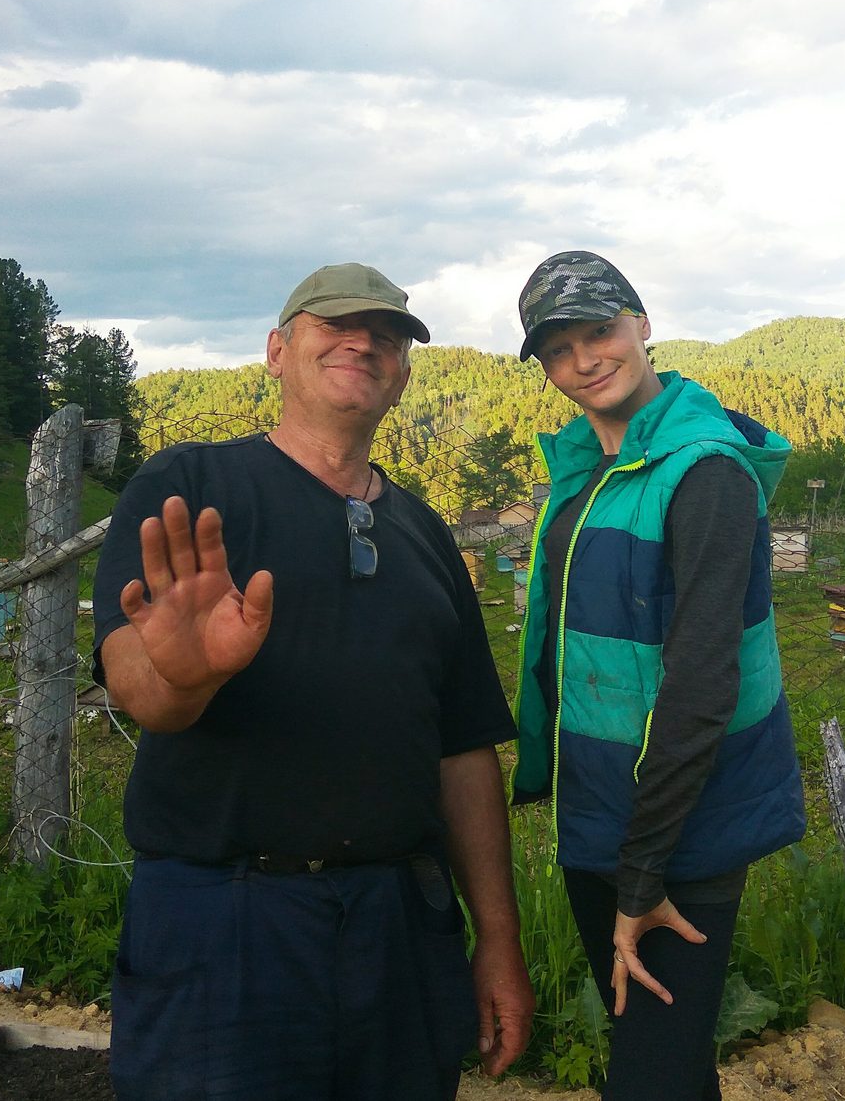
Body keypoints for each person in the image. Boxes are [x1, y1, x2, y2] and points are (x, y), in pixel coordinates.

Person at [92, 262, 534, 1101]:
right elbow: (136, 688)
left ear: (402, 374)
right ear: (276, 350)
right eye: (334, 323)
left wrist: (498, 938)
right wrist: (184, 678)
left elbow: (465, 753)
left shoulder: (428, 538)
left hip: (401, 922)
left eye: (389, 334)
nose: (364, 341)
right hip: (224, 917)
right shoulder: (190, 488)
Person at [509, 251, 806, 1100]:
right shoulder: (585, 476)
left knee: (649, 1076)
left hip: (681, 833)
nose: (585, 360)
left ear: (643, 326)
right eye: (559, 349)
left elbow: (702, 683)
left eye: (600, 331)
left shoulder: (704, 470)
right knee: (660, 1061)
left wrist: (643, 870)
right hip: (603, 816)